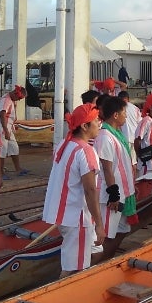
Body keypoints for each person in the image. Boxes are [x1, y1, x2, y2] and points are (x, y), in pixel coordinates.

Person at [43, 104, 106, 277]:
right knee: (73, 268)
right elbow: (90, 190)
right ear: (85, 126)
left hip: (64, 213)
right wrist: (99, 224)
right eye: (96, 121)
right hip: (77, 217)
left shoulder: (65, 144)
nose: (99, 124)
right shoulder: (86, 151)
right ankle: (62, 292)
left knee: (95, 252)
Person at [94, 96, 136, 260]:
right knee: (106, 234)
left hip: (123, 191)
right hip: (112, 195)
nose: (126, 116)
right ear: (115, 115)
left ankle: (107, 260)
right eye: (124, 112)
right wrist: (113, 194)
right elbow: (106, 168)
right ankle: (97, 264)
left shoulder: (117, 134)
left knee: (122, 229)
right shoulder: (105, 136)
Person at [0, 85, 28, 178]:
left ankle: (18, 169)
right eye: (19, 98)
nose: (19, 100)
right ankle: (1, 173)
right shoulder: (6, 100)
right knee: (2, 151)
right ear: (15, 94)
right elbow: (2, 115)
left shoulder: (11, 99)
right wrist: (6, 130)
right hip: (1, 129)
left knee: (14, 148)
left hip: (8, 128)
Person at [134, 92, 152, 177]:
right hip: (147, 164)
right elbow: (137, 140)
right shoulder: (146, 121)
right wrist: (140, 155)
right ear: (151, 107)